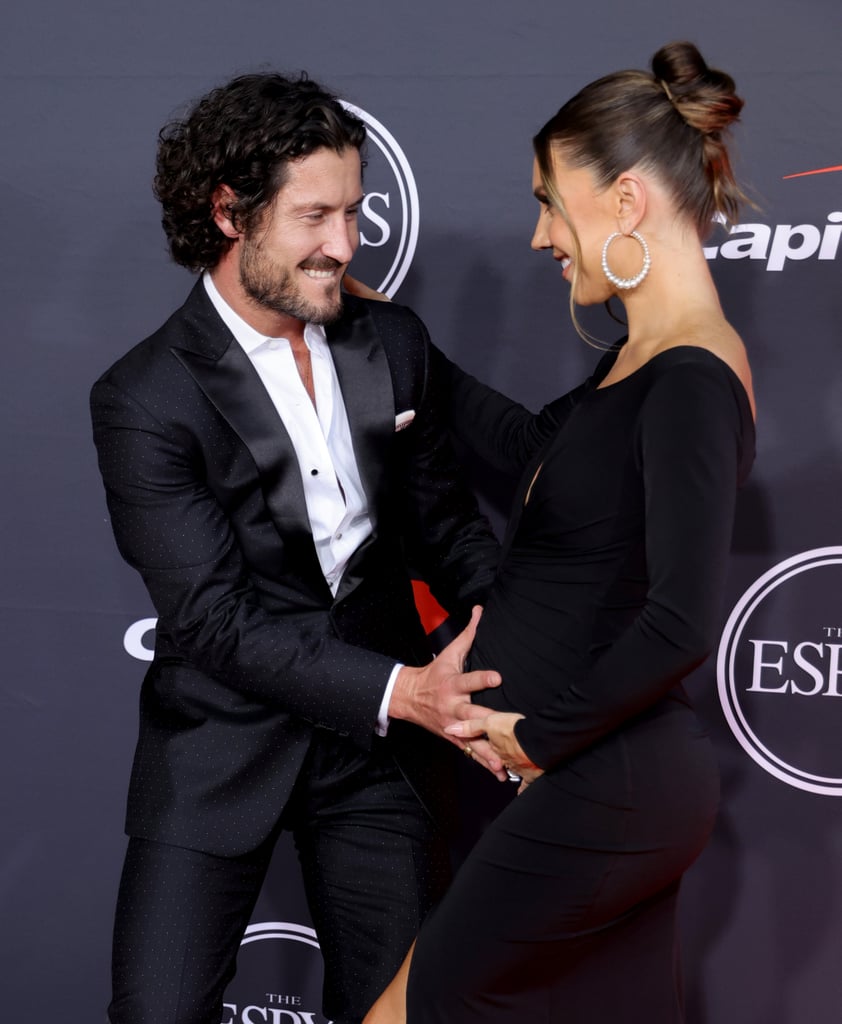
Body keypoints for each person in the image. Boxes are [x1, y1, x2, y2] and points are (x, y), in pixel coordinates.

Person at [89, 71, 508, 1024]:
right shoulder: (147, 397)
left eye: (354, 214)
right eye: (314, 216)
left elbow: (447, 530)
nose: (345, 246)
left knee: (407, 1009)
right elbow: (213, 620)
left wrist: (512, 651)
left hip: (379, 758)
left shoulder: (390, 343)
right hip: (220, 746)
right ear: (230, 213)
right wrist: (404, 689)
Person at [362, 41, 756, 1023]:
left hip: (609, 784)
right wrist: (395, 332)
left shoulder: (692, 379)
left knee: (412, 1010)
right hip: (607, 782)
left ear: (623, 201)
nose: (541, 234)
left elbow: (678, 622)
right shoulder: (642, 361)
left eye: (549, 199)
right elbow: (530, 444)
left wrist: (536, 735)